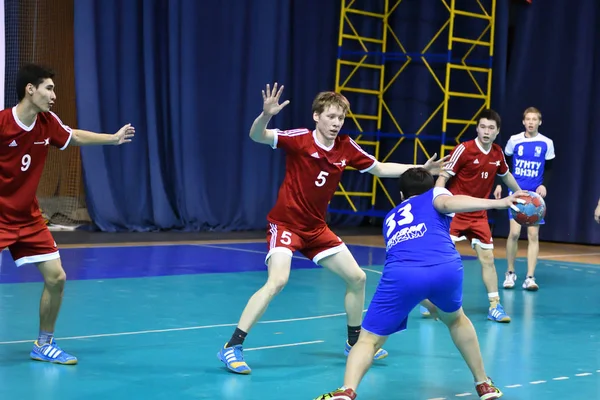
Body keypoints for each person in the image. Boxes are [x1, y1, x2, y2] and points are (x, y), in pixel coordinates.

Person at [216, 83, 449, 374]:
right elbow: (257, 136)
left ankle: (354, 343)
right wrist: (265, 115)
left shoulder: (346, 147)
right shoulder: (300, 139)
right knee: (277, 281)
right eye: (331, 117)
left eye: (340, 118)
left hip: (316, 228)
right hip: (286, 225)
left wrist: (422, 169)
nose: (336, 123)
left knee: (358, 278)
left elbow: (378, 168)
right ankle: (232, 347)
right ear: (317, 117)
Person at [313, 168, 519, 400]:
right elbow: (448, 204)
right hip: (446, 268)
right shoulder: (435, 195)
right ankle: (484, 384)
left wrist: (425, 299)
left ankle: (347, 390)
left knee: (368, 340)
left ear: (401, 195)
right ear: (431, 189)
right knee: (457, 320)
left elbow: (409, 271)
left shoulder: (390, 218)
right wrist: (499, 203)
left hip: (402, 275)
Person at [0, 64, 135, 364]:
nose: (54, 95)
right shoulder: (2, 124)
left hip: (27, 216)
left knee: (57, 277)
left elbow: (73, 136)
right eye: (48, 88)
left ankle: (43, 344)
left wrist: (112, 139)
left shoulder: (47, 123)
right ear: (30, 89)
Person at [435, 109, 521, 323]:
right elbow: (443, 176)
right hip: (454, 213)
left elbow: (506, 175)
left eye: (491, 128)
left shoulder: (497, 153)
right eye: (483, 126)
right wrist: (438, 200)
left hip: (479, 215)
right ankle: (435, 300)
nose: (486, 131)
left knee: (488, 259)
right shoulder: (463, 150)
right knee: (442, 259)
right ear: (477, 128)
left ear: (497, 131)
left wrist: (520, 193)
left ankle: (494, 306)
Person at [495, 107, 555, 291]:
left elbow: (550, 168)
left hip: (534, 197)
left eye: (534, 119)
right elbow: (502, 166)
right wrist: (498, 184)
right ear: (523, 122)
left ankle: (530, 277)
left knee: (533, 234)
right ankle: (510, 273)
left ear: (540, 122)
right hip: (516, 192)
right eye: (527, 119)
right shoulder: (514, 140)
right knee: (514, 233)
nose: (530, 122)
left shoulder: (546, 142)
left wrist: (544, 184)